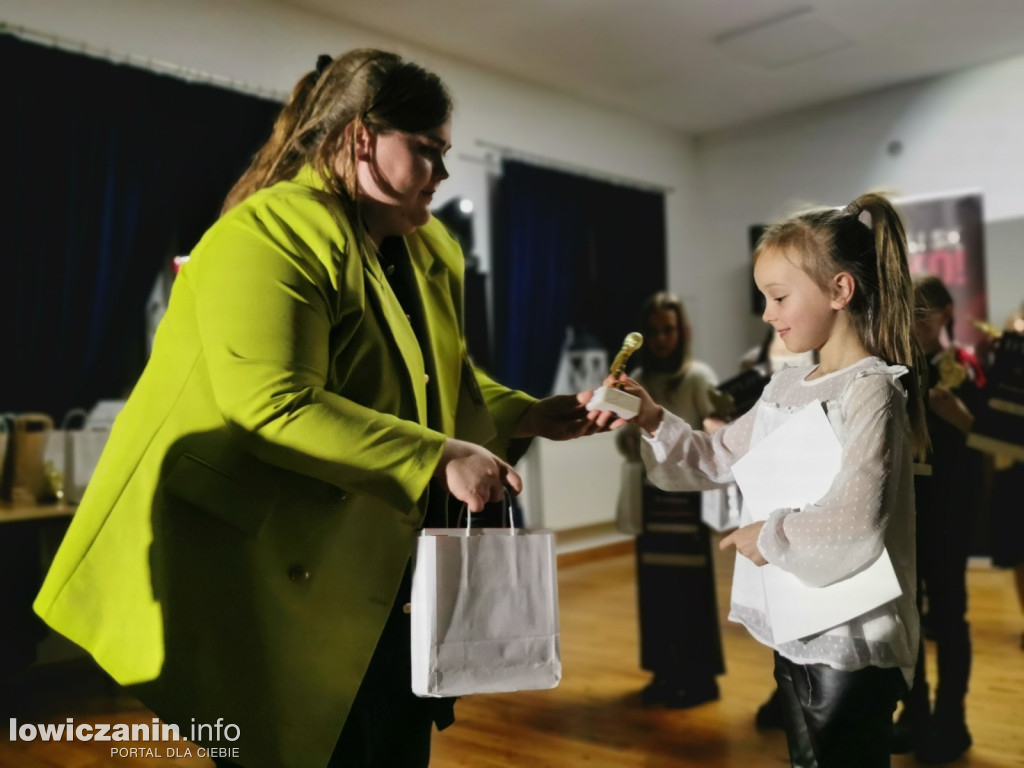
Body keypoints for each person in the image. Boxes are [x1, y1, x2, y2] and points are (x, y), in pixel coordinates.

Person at [33, 49, 601, 768]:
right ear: (362, 137)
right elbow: (272, 402)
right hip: (264, 564)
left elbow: (432, 383)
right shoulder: (266, 234)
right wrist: (436, 454)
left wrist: (528, 414)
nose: (444, 175)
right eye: (427, 151)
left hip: (375, 561)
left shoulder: (423, 251)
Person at [587, 193, 927, 768]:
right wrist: (648, 415)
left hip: (849, 636)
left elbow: (857, 519)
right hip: (797, 622)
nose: (767, 314)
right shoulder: (786, 386)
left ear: (840, 291)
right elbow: (715, 457)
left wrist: (766, 537)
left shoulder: (871, 387)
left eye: (778, 297)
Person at [615, 291, 725, 708]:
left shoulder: (698, 376)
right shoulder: (638, 377)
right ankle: (663, 671)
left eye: (669, 330)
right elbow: (629, 449)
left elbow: (716, 435)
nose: (662, 339)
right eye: (656, 331)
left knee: (690, 591)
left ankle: (699, 677)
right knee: (656, 590)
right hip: (650, 499)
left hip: (689, 501)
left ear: (682, 332)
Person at [893, 275, 987, 763]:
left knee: (948, 618)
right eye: (908, 311)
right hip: (904, 511)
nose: (915, 321)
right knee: (905, 618)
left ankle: (953, 719)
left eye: (924, 312)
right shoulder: (896, 369)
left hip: (950, 513)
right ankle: (915, 712)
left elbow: (992, 444)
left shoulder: (964, 370)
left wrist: (958, 416)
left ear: (947, 314)